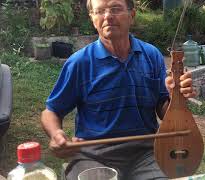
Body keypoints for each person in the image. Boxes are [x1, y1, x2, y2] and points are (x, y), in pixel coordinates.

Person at [40, 0, 196, 179]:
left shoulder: (151, 55)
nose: (107, 16)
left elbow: (163, 110)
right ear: (92, 19)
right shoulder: (79, 63)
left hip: (147, 154)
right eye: (99, 11)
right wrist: (56, 134)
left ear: (132, 15)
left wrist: (175, 98)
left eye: (115, 9)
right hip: (93, 155)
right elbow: (51, 111)